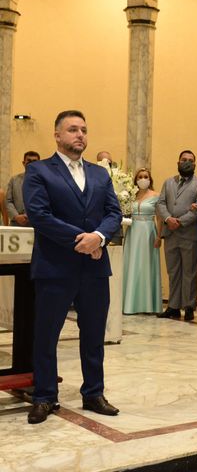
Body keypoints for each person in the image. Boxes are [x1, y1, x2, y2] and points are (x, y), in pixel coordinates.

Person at [23, 110, 122, 424]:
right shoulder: (39, 171)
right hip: (55, 267)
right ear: (57, 135)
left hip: (94, 269)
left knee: (93, 334)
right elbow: (39, 215)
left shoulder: (99, 174)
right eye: (72, 129)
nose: (80, 135)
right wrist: (82, 239)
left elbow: (113, 212)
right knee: (46, 334)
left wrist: (99, 236)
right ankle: (44, 396)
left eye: (83, 129)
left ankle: (93, 392)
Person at [156, 150, 197, 321]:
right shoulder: (168, 182)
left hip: (189, 234)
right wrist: (168, 219)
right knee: (173, 271)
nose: (187, 162)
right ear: (178, 162)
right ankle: (173, 306)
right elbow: (161, 202)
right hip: (170, 233)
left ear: (195, 164)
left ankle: (189, 306)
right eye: (183, 160)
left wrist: (180, 221)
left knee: (190, 272)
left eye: (190, 160)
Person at [122, 168, 163, 315]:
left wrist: (159, 236)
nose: (143, 179)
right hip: (132, 232)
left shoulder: (156, 195)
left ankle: (147, 304)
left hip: (148, 231)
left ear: (150, 179)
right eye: (140, 177)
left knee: (146, 264)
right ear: (136, 180)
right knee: (131, 264)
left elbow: (159, 217)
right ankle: (130, 304)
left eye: (146, 177)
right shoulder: (130, 196)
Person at [6, 151, 40, 226]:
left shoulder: (45, 182)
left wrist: (31, 216)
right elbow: (8, 201)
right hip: (16, 223)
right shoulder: (14, 180)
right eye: (29, 161)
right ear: (23, 163)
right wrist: (16, 216)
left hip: (37, 224)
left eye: (35, 161)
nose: (31, 163)